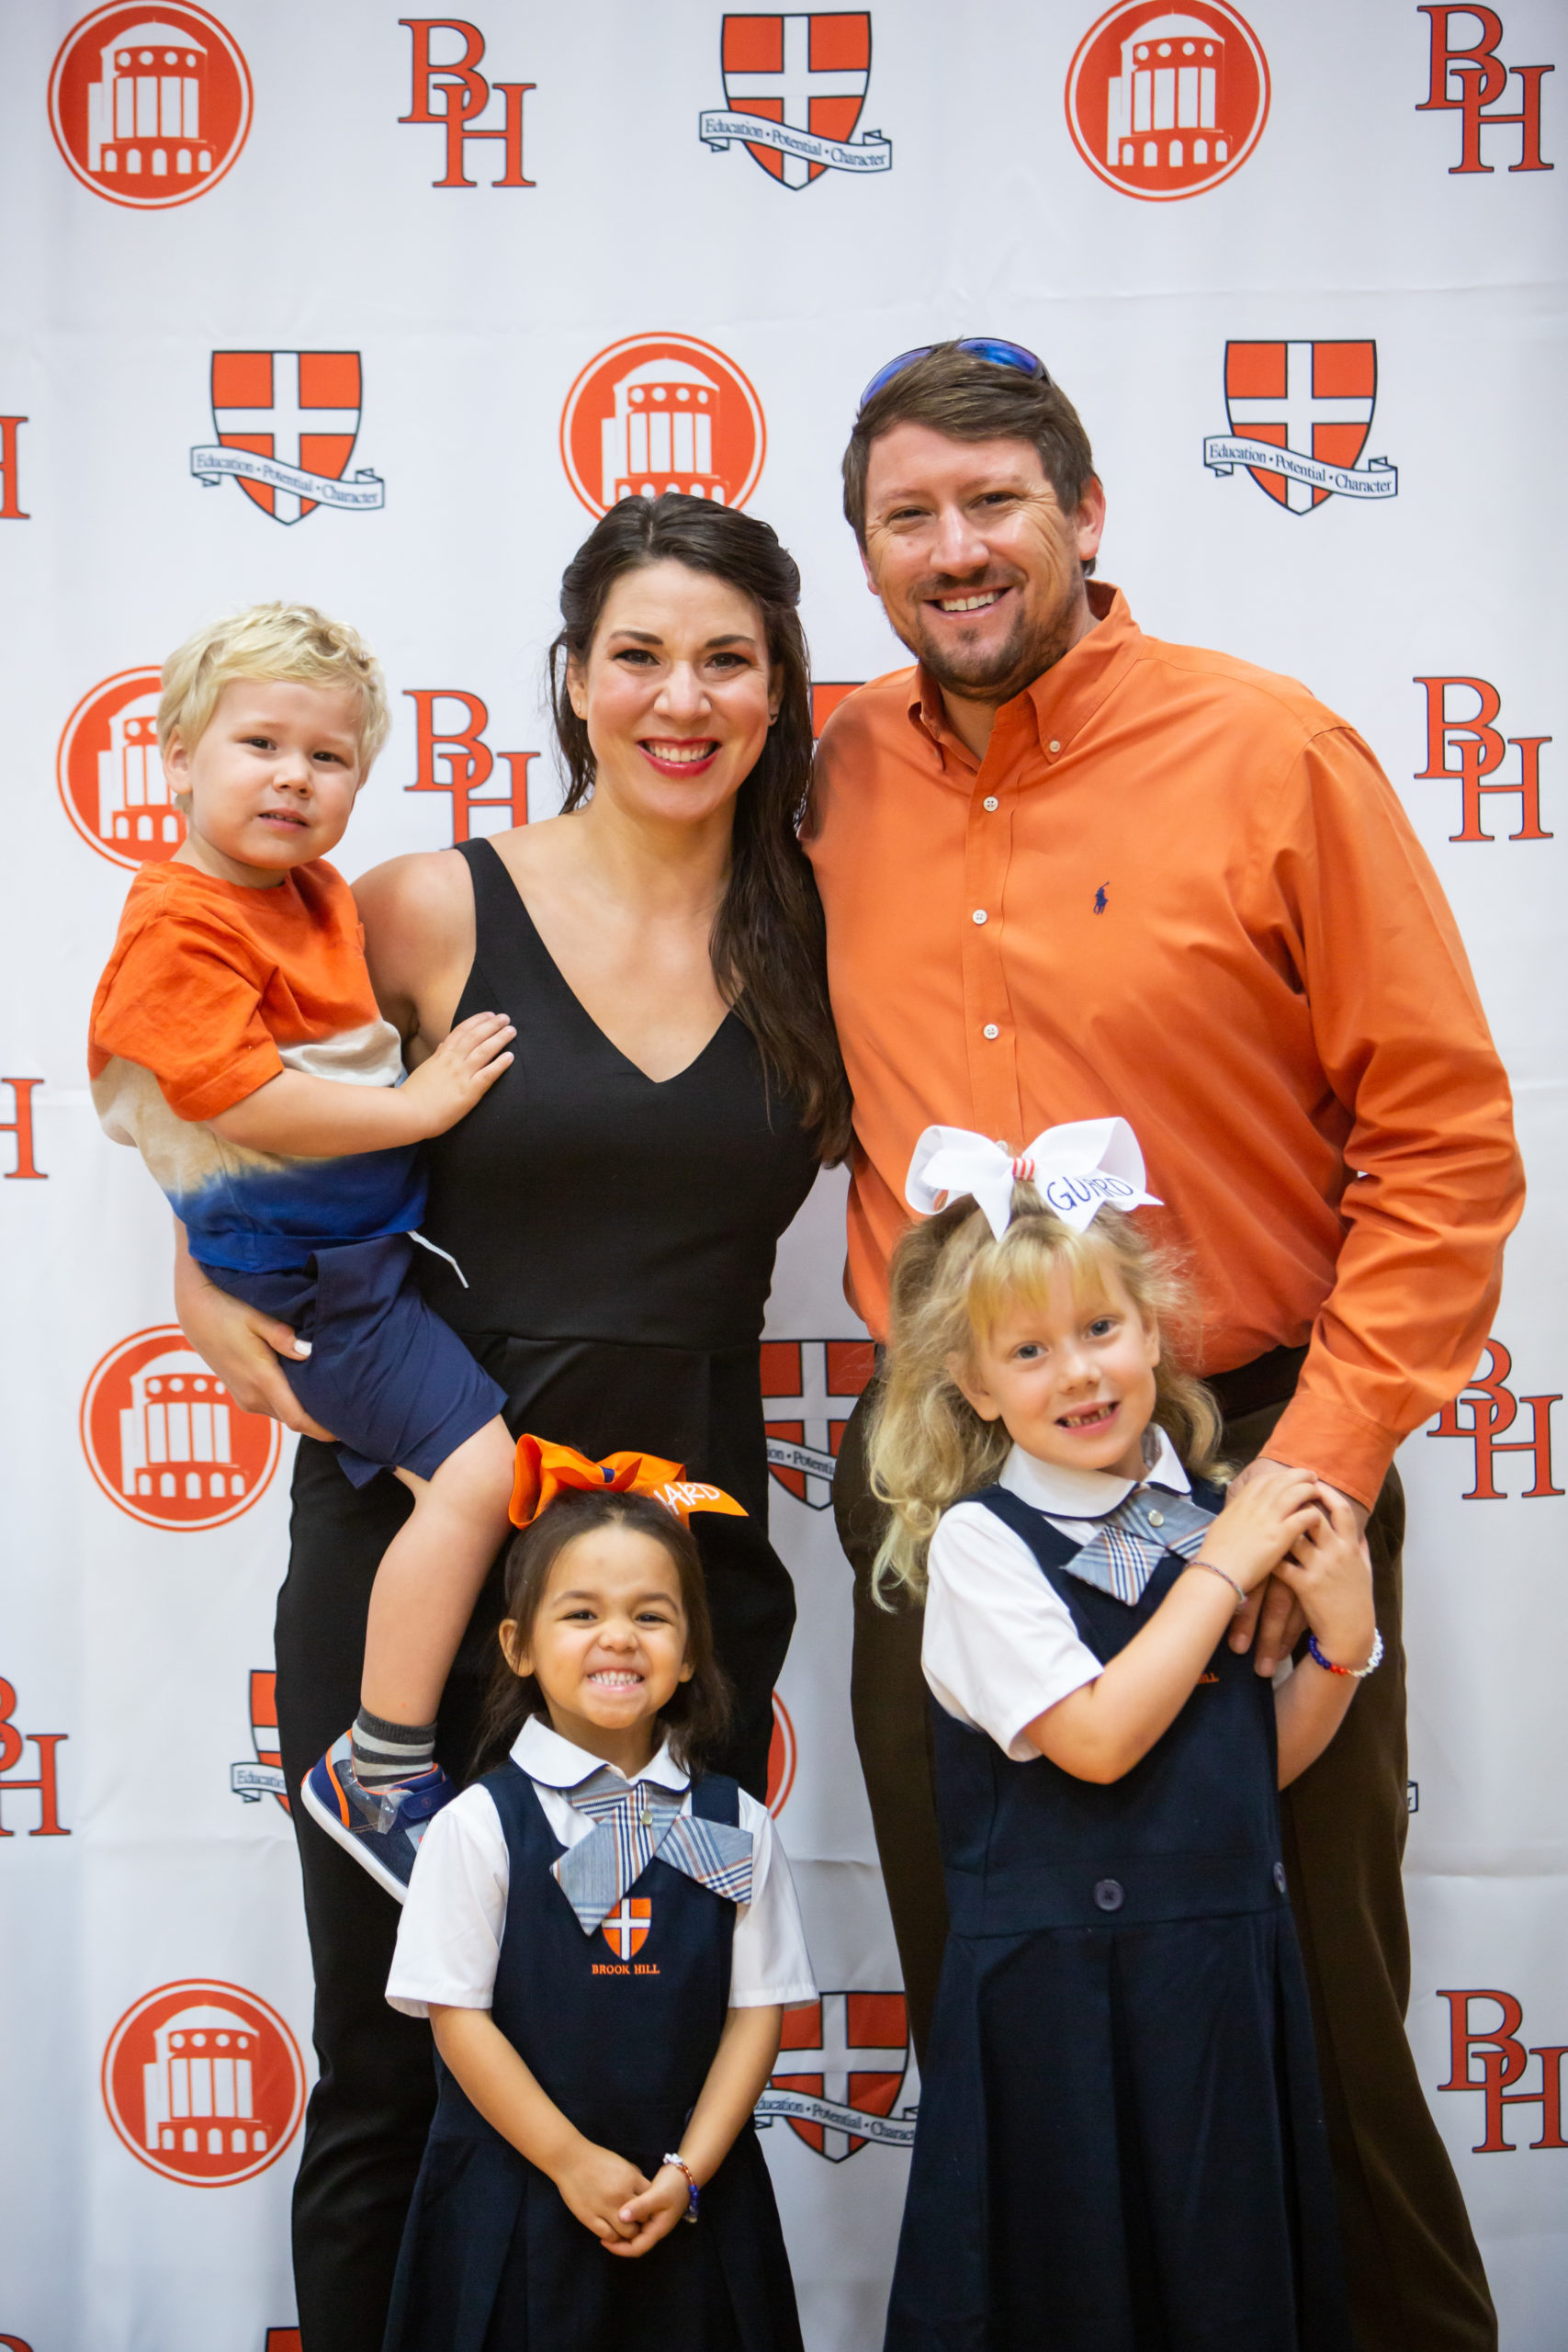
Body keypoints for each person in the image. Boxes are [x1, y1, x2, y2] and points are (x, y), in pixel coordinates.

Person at [807, 339, 1523, 2352]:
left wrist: (1316, 1476)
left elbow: (1442, 1144)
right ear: (863, 554)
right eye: (907, 517)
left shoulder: (1269, 751)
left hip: (1252, 1448)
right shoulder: (820, 773)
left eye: (993, 502)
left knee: (1310, 2004)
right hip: (945, 1474)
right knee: (999, 1997)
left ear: (1085, 513)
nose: (955, 550)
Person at [173, 496, 851, 2352]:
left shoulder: (828, 931)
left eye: (725, 658)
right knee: (394, 2052)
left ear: (779, 687)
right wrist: (197, 1284)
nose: (679, 697)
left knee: (647, 2059)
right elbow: (235, 1119)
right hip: (421, 1553)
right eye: (637, 654)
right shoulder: (423, 907)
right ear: (570, 677)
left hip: (680, 1582)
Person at [870, 1118, 1370, 2349]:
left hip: (1217, 1984)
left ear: (1154, 1332)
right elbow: (1094, 1740)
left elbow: (1251, 1765)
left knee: (1225, 2293)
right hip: (1053, 2007)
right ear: (976, 1388)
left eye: (1100, 1329)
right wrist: (1226, 1567)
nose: (1078, 1375)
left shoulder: (1205, 1520)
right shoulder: (982, 1543)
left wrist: (1342, 1644)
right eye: (1028, 1351)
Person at [89, 604, 521, 1895]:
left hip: (357, 1258)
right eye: (260, 744)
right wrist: (418, 1109)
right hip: (317, 1288)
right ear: (176, 758)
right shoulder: (181, 921)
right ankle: (378, 1767)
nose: (294, 777)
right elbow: (240, 1101)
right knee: (480, 1478)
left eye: (328, 758)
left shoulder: (313, 895)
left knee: (470, 1483)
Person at [383, 1442, 813, 2351]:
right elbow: (456, 2017)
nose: (618, 1636)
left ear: (689, 1653)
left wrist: (689, 2172)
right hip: (520, 2195)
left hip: (690, 2199)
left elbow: (756, 2013)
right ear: (519, 1646)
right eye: (581, 1613)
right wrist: (569, 2160)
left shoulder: (732, 1821)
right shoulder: (481, 1825)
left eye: (651, 1615)